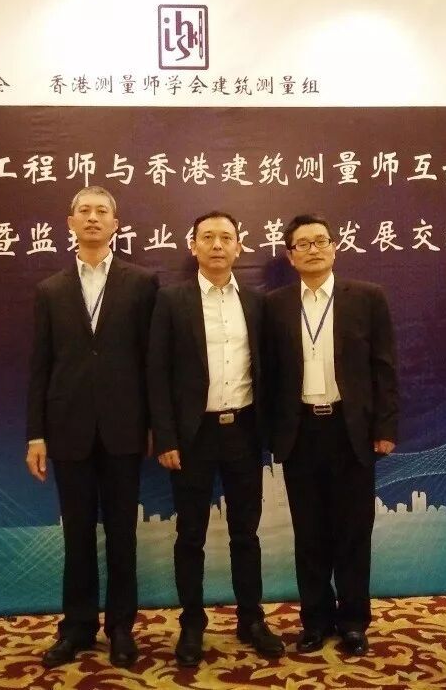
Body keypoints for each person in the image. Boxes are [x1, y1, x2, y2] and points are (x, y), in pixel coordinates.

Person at [25, 186, 158, 669]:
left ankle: (121, 628)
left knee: (123, 535)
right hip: (68, 430)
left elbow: (153, 361)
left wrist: (155, 426)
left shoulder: (142, 283)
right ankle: (77, 627)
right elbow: (41, 366)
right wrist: (36, 434)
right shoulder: (50, 289)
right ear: (70, 223)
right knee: (77, 536)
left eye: (103, 211)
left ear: (116, 224)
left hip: (125, 428)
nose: (94, 218)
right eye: (85, 211)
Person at [147, 211, 285, 667]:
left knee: (246, 533)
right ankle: (192, 624)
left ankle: (251, 619)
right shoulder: (172, 301)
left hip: (243, 430)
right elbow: (157, 373)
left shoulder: (257, 303)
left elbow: (268, 371)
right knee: (190, 535)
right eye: (207, 237)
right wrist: (166, 436)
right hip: (193, 436)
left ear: (240, 246)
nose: (217, 245)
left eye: (226, 237)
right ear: (193, 246)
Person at [264, 213, 398, 657]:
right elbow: (268, 374)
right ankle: (315, 621)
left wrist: (385, 427)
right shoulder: (275, 305)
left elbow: (384, 368)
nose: (314, 249)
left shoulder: (367, 298)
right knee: (309, 533)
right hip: (300, 431)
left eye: (321, 241)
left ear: (335, 247)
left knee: (354, 533)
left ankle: (354, 622)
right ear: (290, 255)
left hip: (350, 431)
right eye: (303, 244)